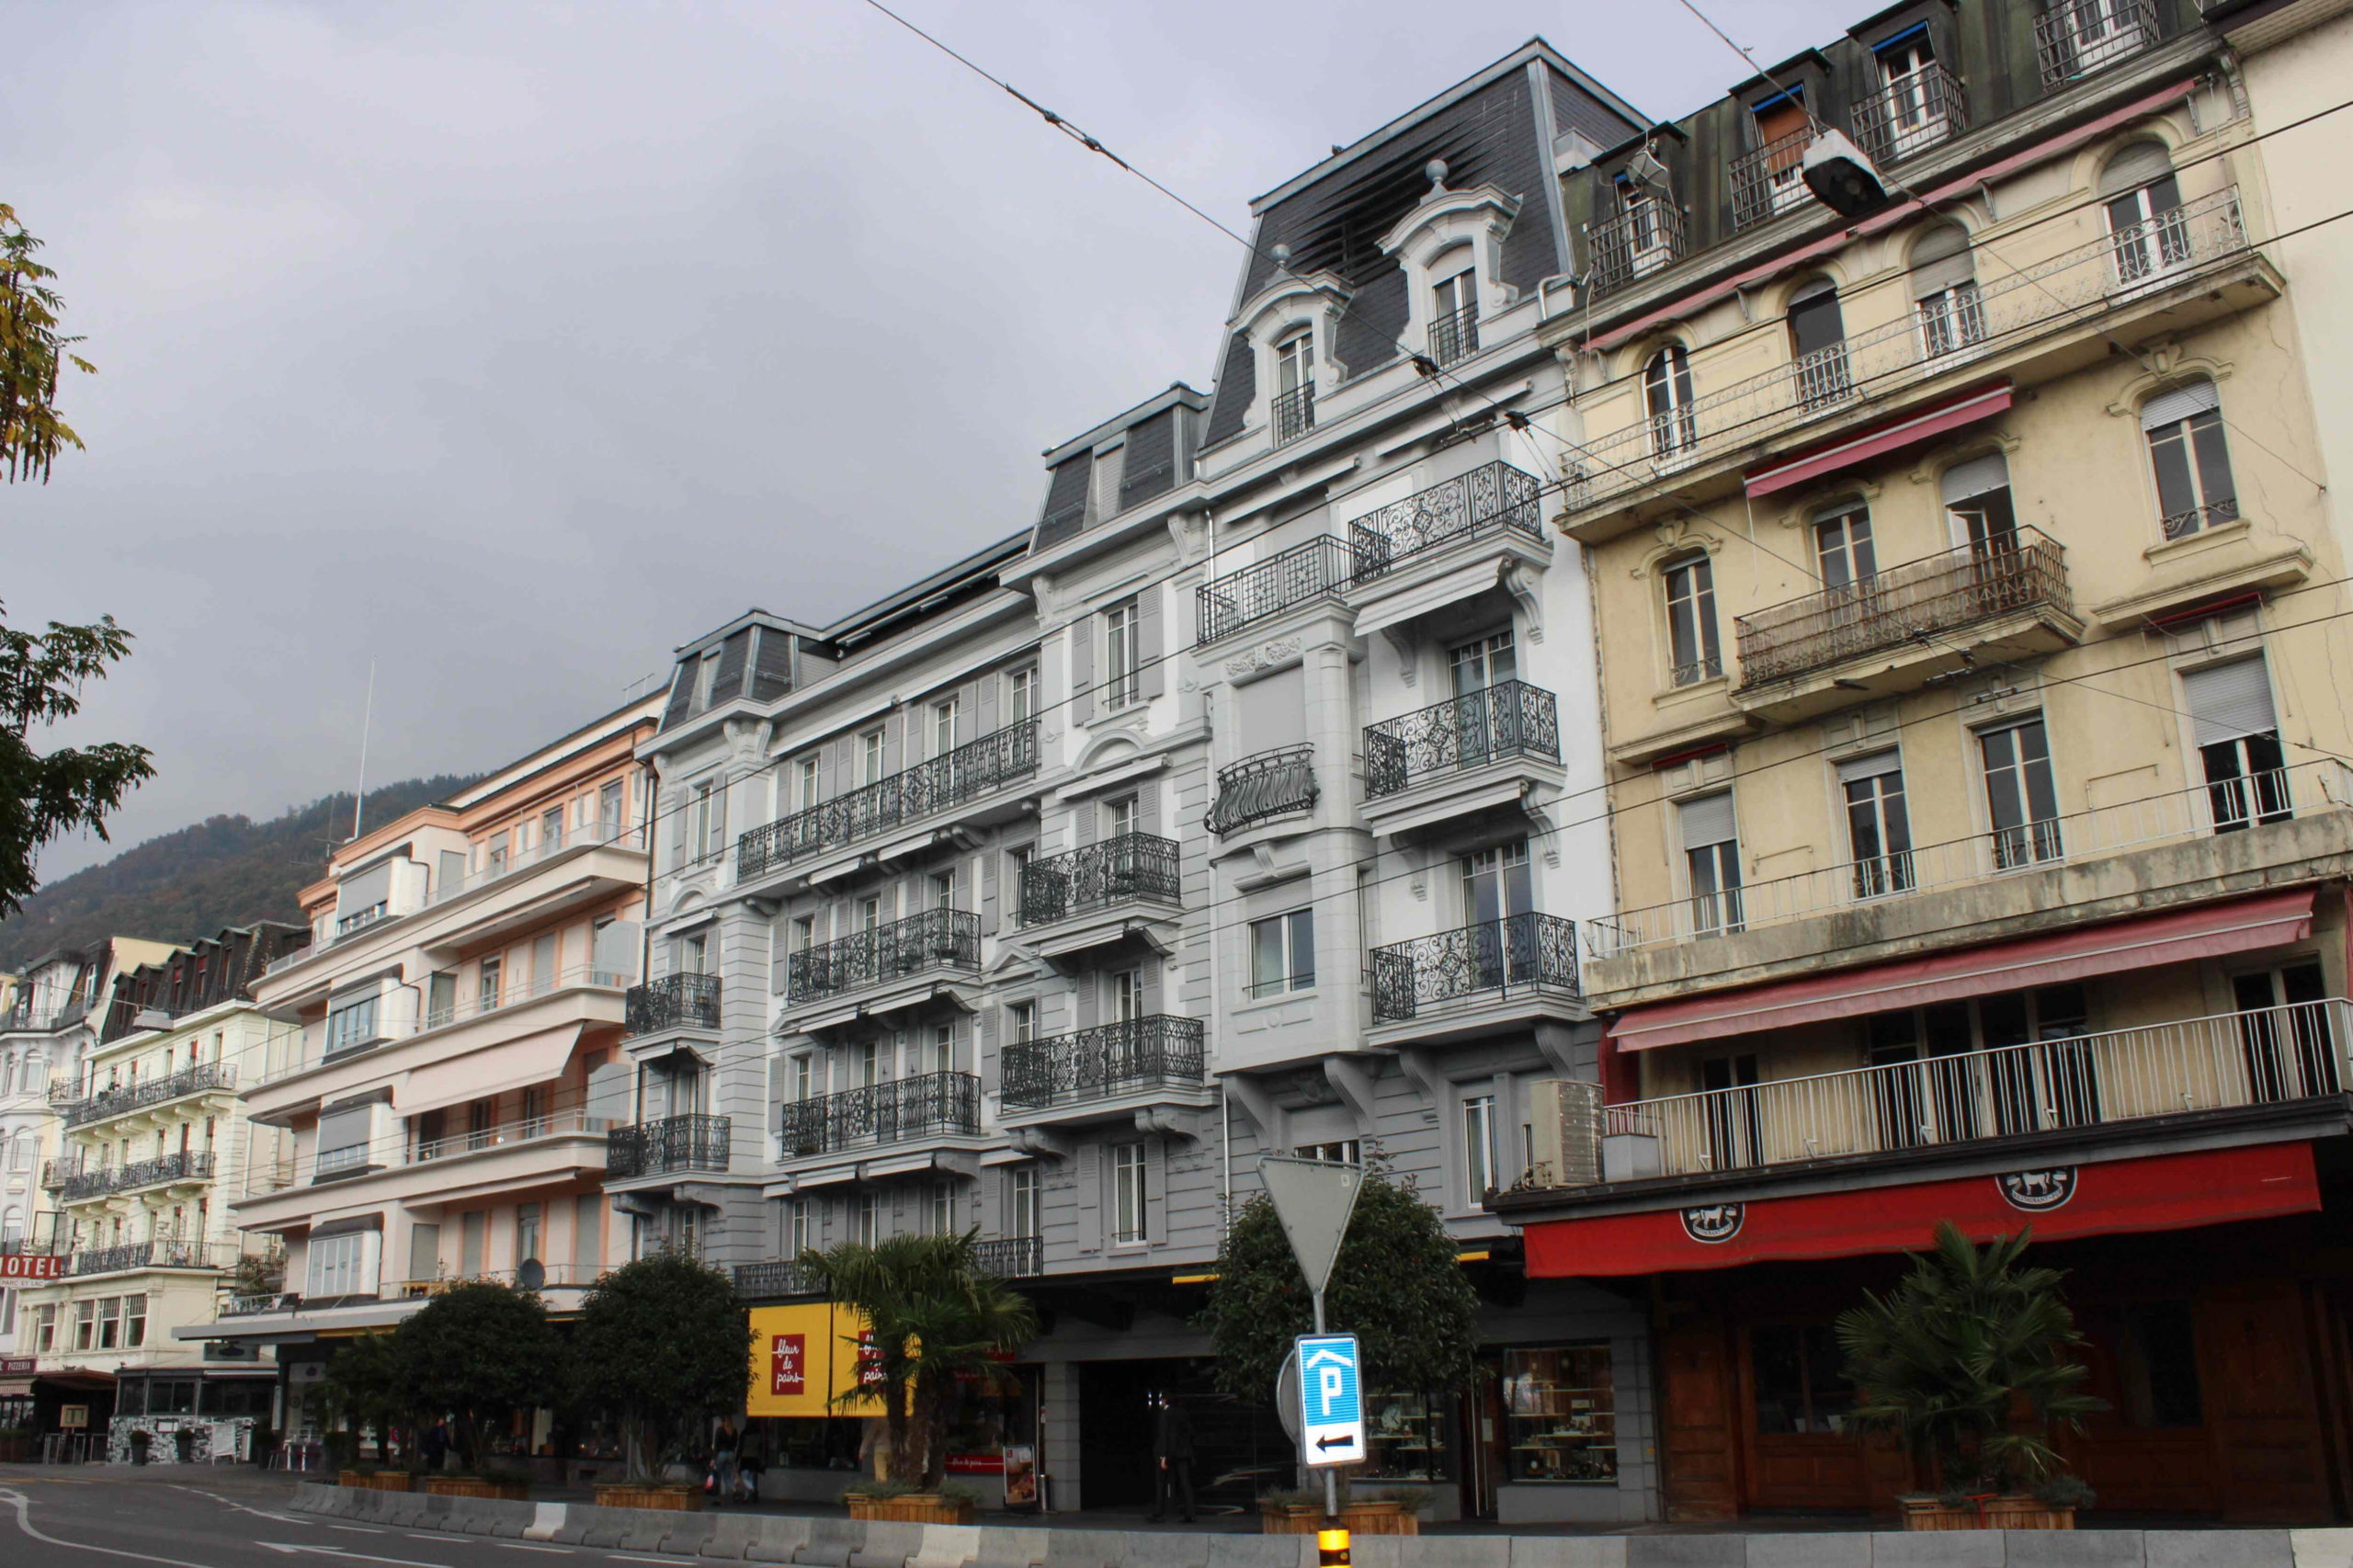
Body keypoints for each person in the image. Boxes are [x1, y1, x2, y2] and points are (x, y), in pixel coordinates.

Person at [1146, 1392, 1195, 1524]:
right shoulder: (1183, 1413)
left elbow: (1164, 1436)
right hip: (1183, 1452)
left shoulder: (1164, 1414)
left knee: (1161, 1482)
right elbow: (1190, 1431)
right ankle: (1190, 1513)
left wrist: (1163, 1456)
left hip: (1168, 1452)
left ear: (1165, 1400)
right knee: (1185, 1482)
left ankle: (1159, 1512)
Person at [711, 1420, 739, 1507]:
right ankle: (735, 1490)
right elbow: (735, 1444)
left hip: (721, 1454)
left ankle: (718, 1499)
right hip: (730, 1454)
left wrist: (713, 1458)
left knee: (718, 1477)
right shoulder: (734, 1430)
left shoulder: (720, 1430)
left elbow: (716, 1445)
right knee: (728, 1477)